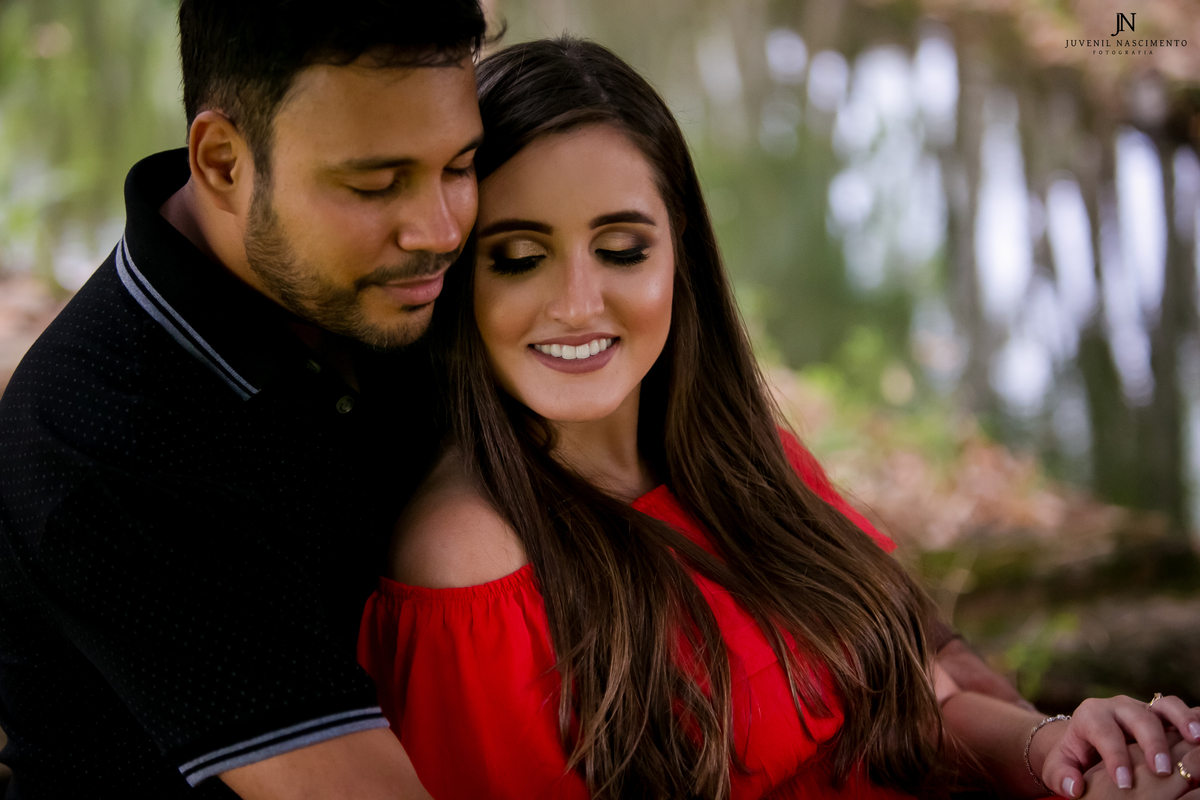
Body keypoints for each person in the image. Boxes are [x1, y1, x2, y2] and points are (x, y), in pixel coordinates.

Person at [356, 38, 1200, 800]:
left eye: (622, 250)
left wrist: (1059, 752)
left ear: (679, 254)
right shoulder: (473, 564)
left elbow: (920, 696)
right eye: (518, 258)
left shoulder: (746, 461)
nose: (578, 303)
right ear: (458, 277)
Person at [0, 2, 486, 797]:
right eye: (375, 184)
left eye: (461, 167)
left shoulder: (383, 282)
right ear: (223, 162)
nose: (440, 230)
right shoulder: (102, 436)